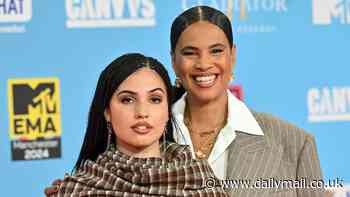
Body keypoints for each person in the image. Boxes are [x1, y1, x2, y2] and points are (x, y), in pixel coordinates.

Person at [170, 5, 324, 197]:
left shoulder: (295, 144)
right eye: (190, 53)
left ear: (232, 56)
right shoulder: (148, 137)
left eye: (216, 51)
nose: (204, 64)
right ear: (173, 61)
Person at [45, 53, 228, 196]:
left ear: (167, 110)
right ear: (107, 111)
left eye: (155, 99)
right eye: (127, 100)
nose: (142, 112)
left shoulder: (201, 182)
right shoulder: (77, 189)